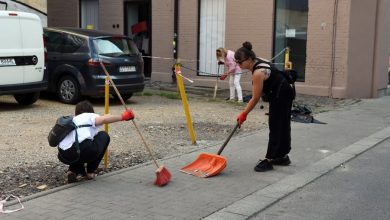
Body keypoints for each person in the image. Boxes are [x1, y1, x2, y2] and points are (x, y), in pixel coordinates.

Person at [234, 41, 294, 172]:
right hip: (285, 90)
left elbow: (255, 98)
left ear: (249, 59)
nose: (238, 65)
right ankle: (282, 157)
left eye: (240, 62)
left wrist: (244, 114)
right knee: (283, 124)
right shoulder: (259, 61)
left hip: (281, 93)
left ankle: (270, 159)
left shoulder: (258, 73)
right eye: (236, 62)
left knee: (276, 125)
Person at [57, 100, 135, 183]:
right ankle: (90, 171)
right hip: (82, 151)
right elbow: (103, 120)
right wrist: (123, 116)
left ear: (76, 112)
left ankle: (72, 171)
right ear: (91, 110)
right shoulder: (89, 116)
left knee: (76, 146)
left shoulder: (72, 120)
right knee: (103, 136)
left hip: (63, 155)